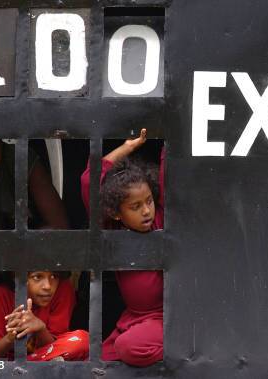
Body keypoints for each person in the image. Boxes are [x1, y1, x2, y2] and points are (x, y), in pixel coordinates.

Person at [80, 128, 163, 367]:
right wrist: (127, 147)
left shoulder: (162, 221)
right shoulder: (112, 229)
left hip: (165, 319)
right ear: (116, 213)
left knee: (129, 347)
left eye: (149, 201)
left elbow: (170, 169)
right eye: (135, 207)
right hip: (134, 319)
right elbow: (89, 179)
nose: (146, 211)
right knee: (94, 362)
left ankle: (186, 350)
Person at [0, 271, 89, 361]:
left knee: (83, 339)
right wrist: (10, 338)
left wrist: (40, 329)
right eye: (37, 277)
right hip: (1, 362)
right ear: (17, 277)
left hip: (42, 357)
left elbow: (57, 346)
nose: (48, 286)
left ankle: (8, 373)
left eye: (54, 276)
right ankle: (6, 371)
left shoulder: (63, 290)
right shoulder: (2, 294)